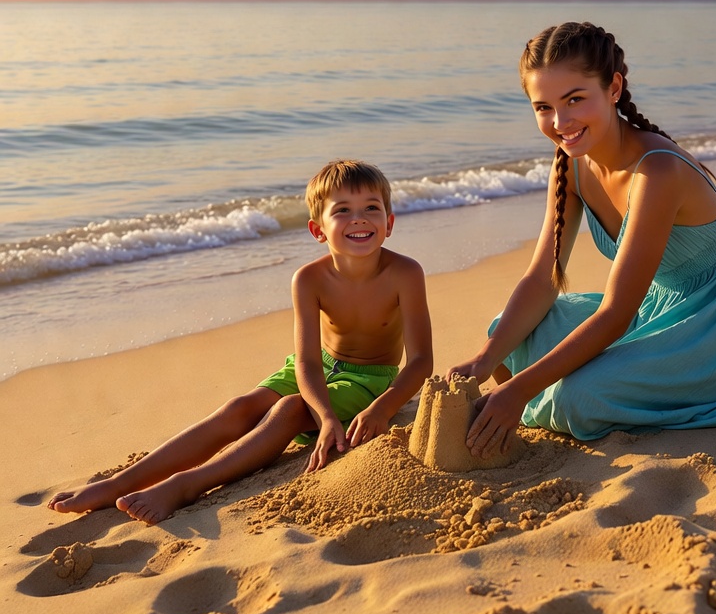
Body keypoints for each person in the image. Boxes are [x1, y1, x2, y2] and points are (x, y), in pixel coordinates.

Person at [449, 22, 716, 459]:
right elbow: (542, 279)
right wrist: (483, 358)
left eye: (574, 100)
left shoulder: (657, 173)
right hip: (654, 309)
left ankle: (547, 400)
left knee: (577, 398)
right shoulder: (570, 165)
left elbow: (615, 312)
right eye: (544, 107)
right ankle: (544, 394)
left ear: (612, 88)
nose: (560, 122)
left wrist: (517, 390)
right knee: (504, 335)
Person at [48, 159, 433, 525]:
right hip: (320, 366)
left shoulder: (404, 273)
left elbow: (419, 361)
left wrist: (382, 409)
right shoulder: (308, 279)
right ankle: (118, 483)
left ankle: (187, 485)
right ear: (318, 230)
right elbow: (307, 364)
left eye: (371, 208)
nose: (359, 218)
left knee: (289, 410)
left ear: (389, 222)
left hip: (369, 379)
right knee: (240, 407)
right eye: (342, 211)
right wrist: (328, 415)